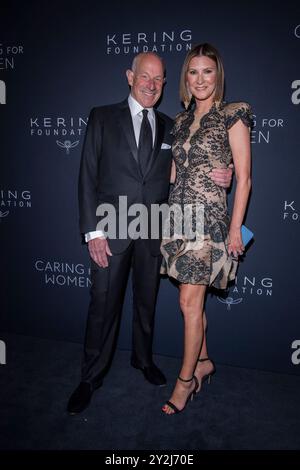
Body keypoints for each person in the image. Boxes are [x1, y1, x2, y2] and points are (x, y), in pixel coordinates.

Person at [67, 52, 232, 415]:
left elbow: (189, 166)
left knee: (146, 304)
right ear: (130, 76)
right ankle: (90, 377)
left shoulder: (171, 124)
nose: (152, 85)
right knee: (102, 307)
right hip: (111, 229)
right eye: (145, 77)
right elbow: (86, 176)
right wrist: (93, 232)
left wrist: (226, 173)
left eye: (159, 80)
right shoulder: (102, 117)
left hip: (153, 229)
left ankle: (143, 360)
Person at [160, 43, 252, 414]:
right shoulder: (179, 120)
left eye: (207, 71)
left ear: (218, 75)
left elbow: (243, 179)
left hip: (208, 219)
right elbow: (173, 173)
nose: (200, 79)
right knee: (191, 304)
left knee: (188, 302)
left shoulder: (233, 113)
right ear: (186, 78)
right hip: (177, 219)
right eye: (193, 72)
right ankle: (204, 361)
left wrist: (235, 229)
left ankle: (185, 382)